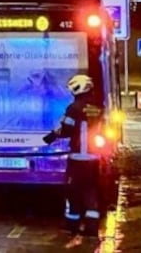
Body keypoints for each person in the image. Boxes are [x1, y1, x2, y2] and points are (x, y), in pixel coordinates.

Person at [43, 74, 104, 236]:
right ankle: (92, 227)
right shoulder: (97, 108)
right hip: (94, 158)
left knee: (73, 191)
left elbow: (66, 129)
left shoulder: (74, 108)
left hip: (78, 158)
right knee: (90, 190)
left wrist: (52, 136)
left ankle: (72, 224)